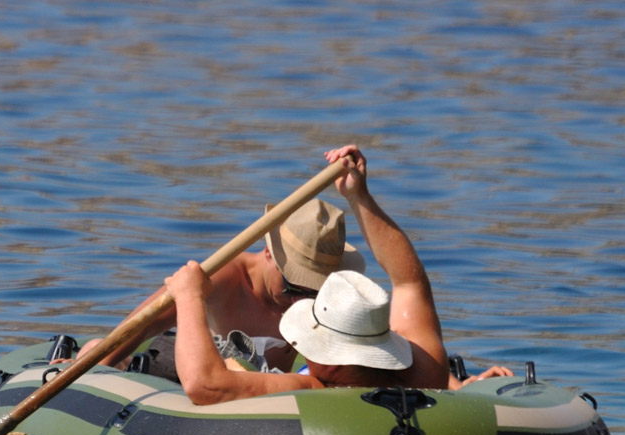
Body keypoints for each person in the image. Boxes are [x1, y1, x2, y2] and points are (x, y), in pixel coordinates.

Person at [164, 144, 511, 405]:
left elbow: (204, 384)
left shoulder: (310, 390)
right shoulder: (425, 373)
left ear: (328, 365)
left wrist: (189, 296)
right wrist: (360, 196)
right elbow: (410, 281)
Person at [82, 191, 366, 376]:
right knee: (96, 351)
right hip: (189, 379)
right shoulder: (224, 275)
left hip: (263, 396)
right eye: (293, 287)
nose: (297, 302)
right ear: (269, 253)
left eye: (311, 291)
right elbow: (147, 321)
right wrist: (93, 364)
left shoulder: (330, 296)